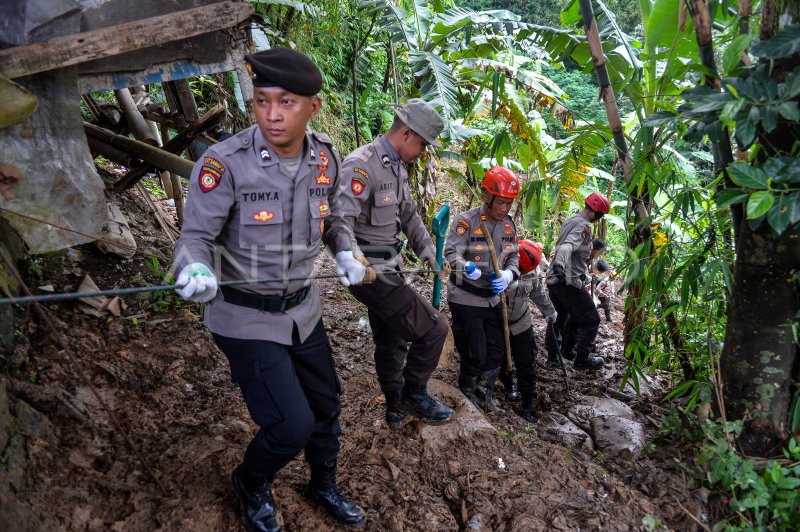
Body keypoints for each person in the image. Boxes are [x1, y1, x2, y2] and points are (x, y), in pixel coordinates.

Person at [172, 48, 367, 531]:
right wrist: (194, 271)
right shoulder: (226, 164)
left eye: (287, 102)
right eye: (262, 101)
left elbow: (335, 218)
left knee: (326, 406)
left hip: (303, 309)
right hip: (245, 315)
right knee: (290, 425)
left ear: (313, 107)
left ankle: (322, 483)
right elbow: (195, 238)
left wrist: (346, 250)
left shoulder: (324, 157)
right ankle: (251, 481)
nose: (273, 115)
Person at [336, 98, 453, 428]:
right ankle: (413, 393)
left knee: (391, 339)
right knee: (434, 329)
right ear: (405, 133)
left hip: (392, 265)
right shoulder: (362, 165)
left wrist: (430, 252)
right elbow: (339, 219)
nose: (423, 152)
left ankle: (394, 403)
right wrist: (351, 256)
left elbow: (409, 216)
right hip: (370, 273)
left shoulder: (397, 166)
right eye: (422, 144)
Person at [444, 166, 520, 412]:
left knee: (497, 348)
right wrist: (465, 266)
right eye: (501, 202)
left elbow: (514, 258)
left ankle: (483, 392)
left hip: (493, 299)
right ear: (487, 197)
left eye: (509, 204)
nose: (505, 209)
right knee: (475, 351)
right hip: (465, 296)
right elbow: (450, 252)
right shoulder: (466, 221)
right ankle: (466, 393)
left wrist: (509, 274)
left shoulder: (509, 227)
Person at [546, 192, 610, 370]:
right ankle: (582, 360)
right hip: (568, 281)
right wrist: (559, 264)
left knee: (559, 317)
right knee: (591, 320)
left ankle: (555, 356)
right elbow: (567, 245)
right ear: (597, 213)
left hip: (555, 280)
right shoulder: (584, 226)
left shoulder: (570, 220)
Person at [500, 239, 558, 421]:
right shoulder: (498, 265)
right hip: (498, 323)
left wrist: (549, 311)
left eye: (527, 271)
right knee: (499, 358)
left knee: (527, 363)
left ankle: (527, 403)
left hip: (521, 322)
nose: (524, 273)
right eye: (522, 270)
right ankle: (508, 385)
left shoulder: (533, 272)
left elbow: (538, 292)